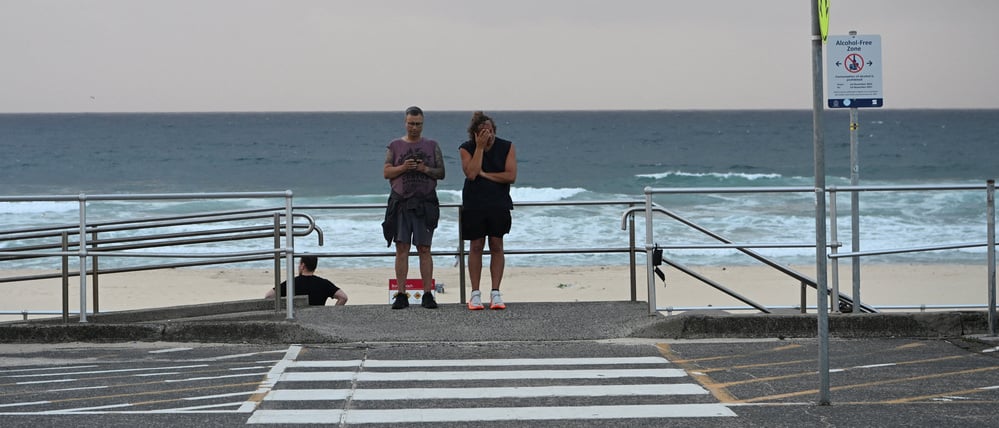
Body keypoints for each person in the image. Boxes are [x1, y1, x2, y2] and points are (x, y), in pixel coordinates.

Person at [382, 106, 445, 309]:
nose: (414, 127)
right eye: (411, 123)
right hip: (401, 202)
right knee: (402, 247)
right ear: (405, 123)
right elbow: (386, 172)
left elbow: (441, 173)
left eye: (418, 124)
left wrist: (424, 168)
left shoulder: (432, 145)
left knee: (424, 249)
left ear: (423, 124)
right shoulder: (394, 145)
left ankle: (427, 294)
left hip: (424, 203)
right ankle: (401, 294)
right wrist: (404, 167)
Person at [459, 111, 517, 310]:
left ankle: (496, 292)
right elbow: (472, 173)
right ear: (475, 133)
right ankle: (475, 293)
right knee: (476, 246)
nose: (487, 134)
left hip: (498, 203)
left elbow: (510, 176)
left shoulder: (507, 147)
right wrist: (480, 148)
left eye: (490, 130)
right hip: (474, 203)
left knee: (496, 245)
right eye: (483, 131)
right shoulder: (466, 148)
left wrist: (486, 174)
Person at [265, 255, 347, 306]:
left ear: (303, 266)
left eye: (299, 264)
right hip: (318, 320)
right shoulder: (324, 283)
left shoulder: (291, 283)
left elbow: (269, 296)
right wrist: (332, 313)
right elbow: (343, 297)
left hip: (296, 319)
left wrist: (284, 308)